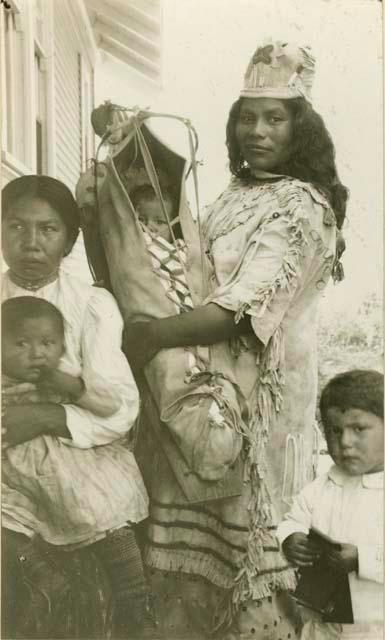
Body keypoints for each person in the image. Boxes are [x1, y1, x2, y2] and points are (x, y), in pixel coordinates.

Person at [122, 40, 349, 639]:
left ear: (302, 129)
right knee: (196, 590)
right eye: (247, 116)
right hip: (206, 398)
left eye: (275, 118)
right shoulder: (232, 196)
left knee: (269, 577)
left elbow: (238, 313)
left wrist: (147, 336)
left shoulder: (303, 206)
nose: (257, 130)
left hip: (261, 412)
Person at [1, 175, 156, 639]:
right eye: (15, 227)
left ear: (69, 239)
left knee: (102, 516)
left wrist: (51, 416)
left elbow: (120, 404)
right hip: (6, 449)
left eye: (47, 229)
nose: (31, 242)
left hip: (78, 455)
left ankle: (136, 606)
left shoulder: (90, 305)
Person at [277, 369, 383, 640]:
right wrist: (291, 537)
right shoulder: (325, 484)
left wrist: (362, 559)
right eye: (334, 430)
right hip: (320, 621)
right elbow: (294, 517)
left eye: (358, 429)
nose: (345, 442)